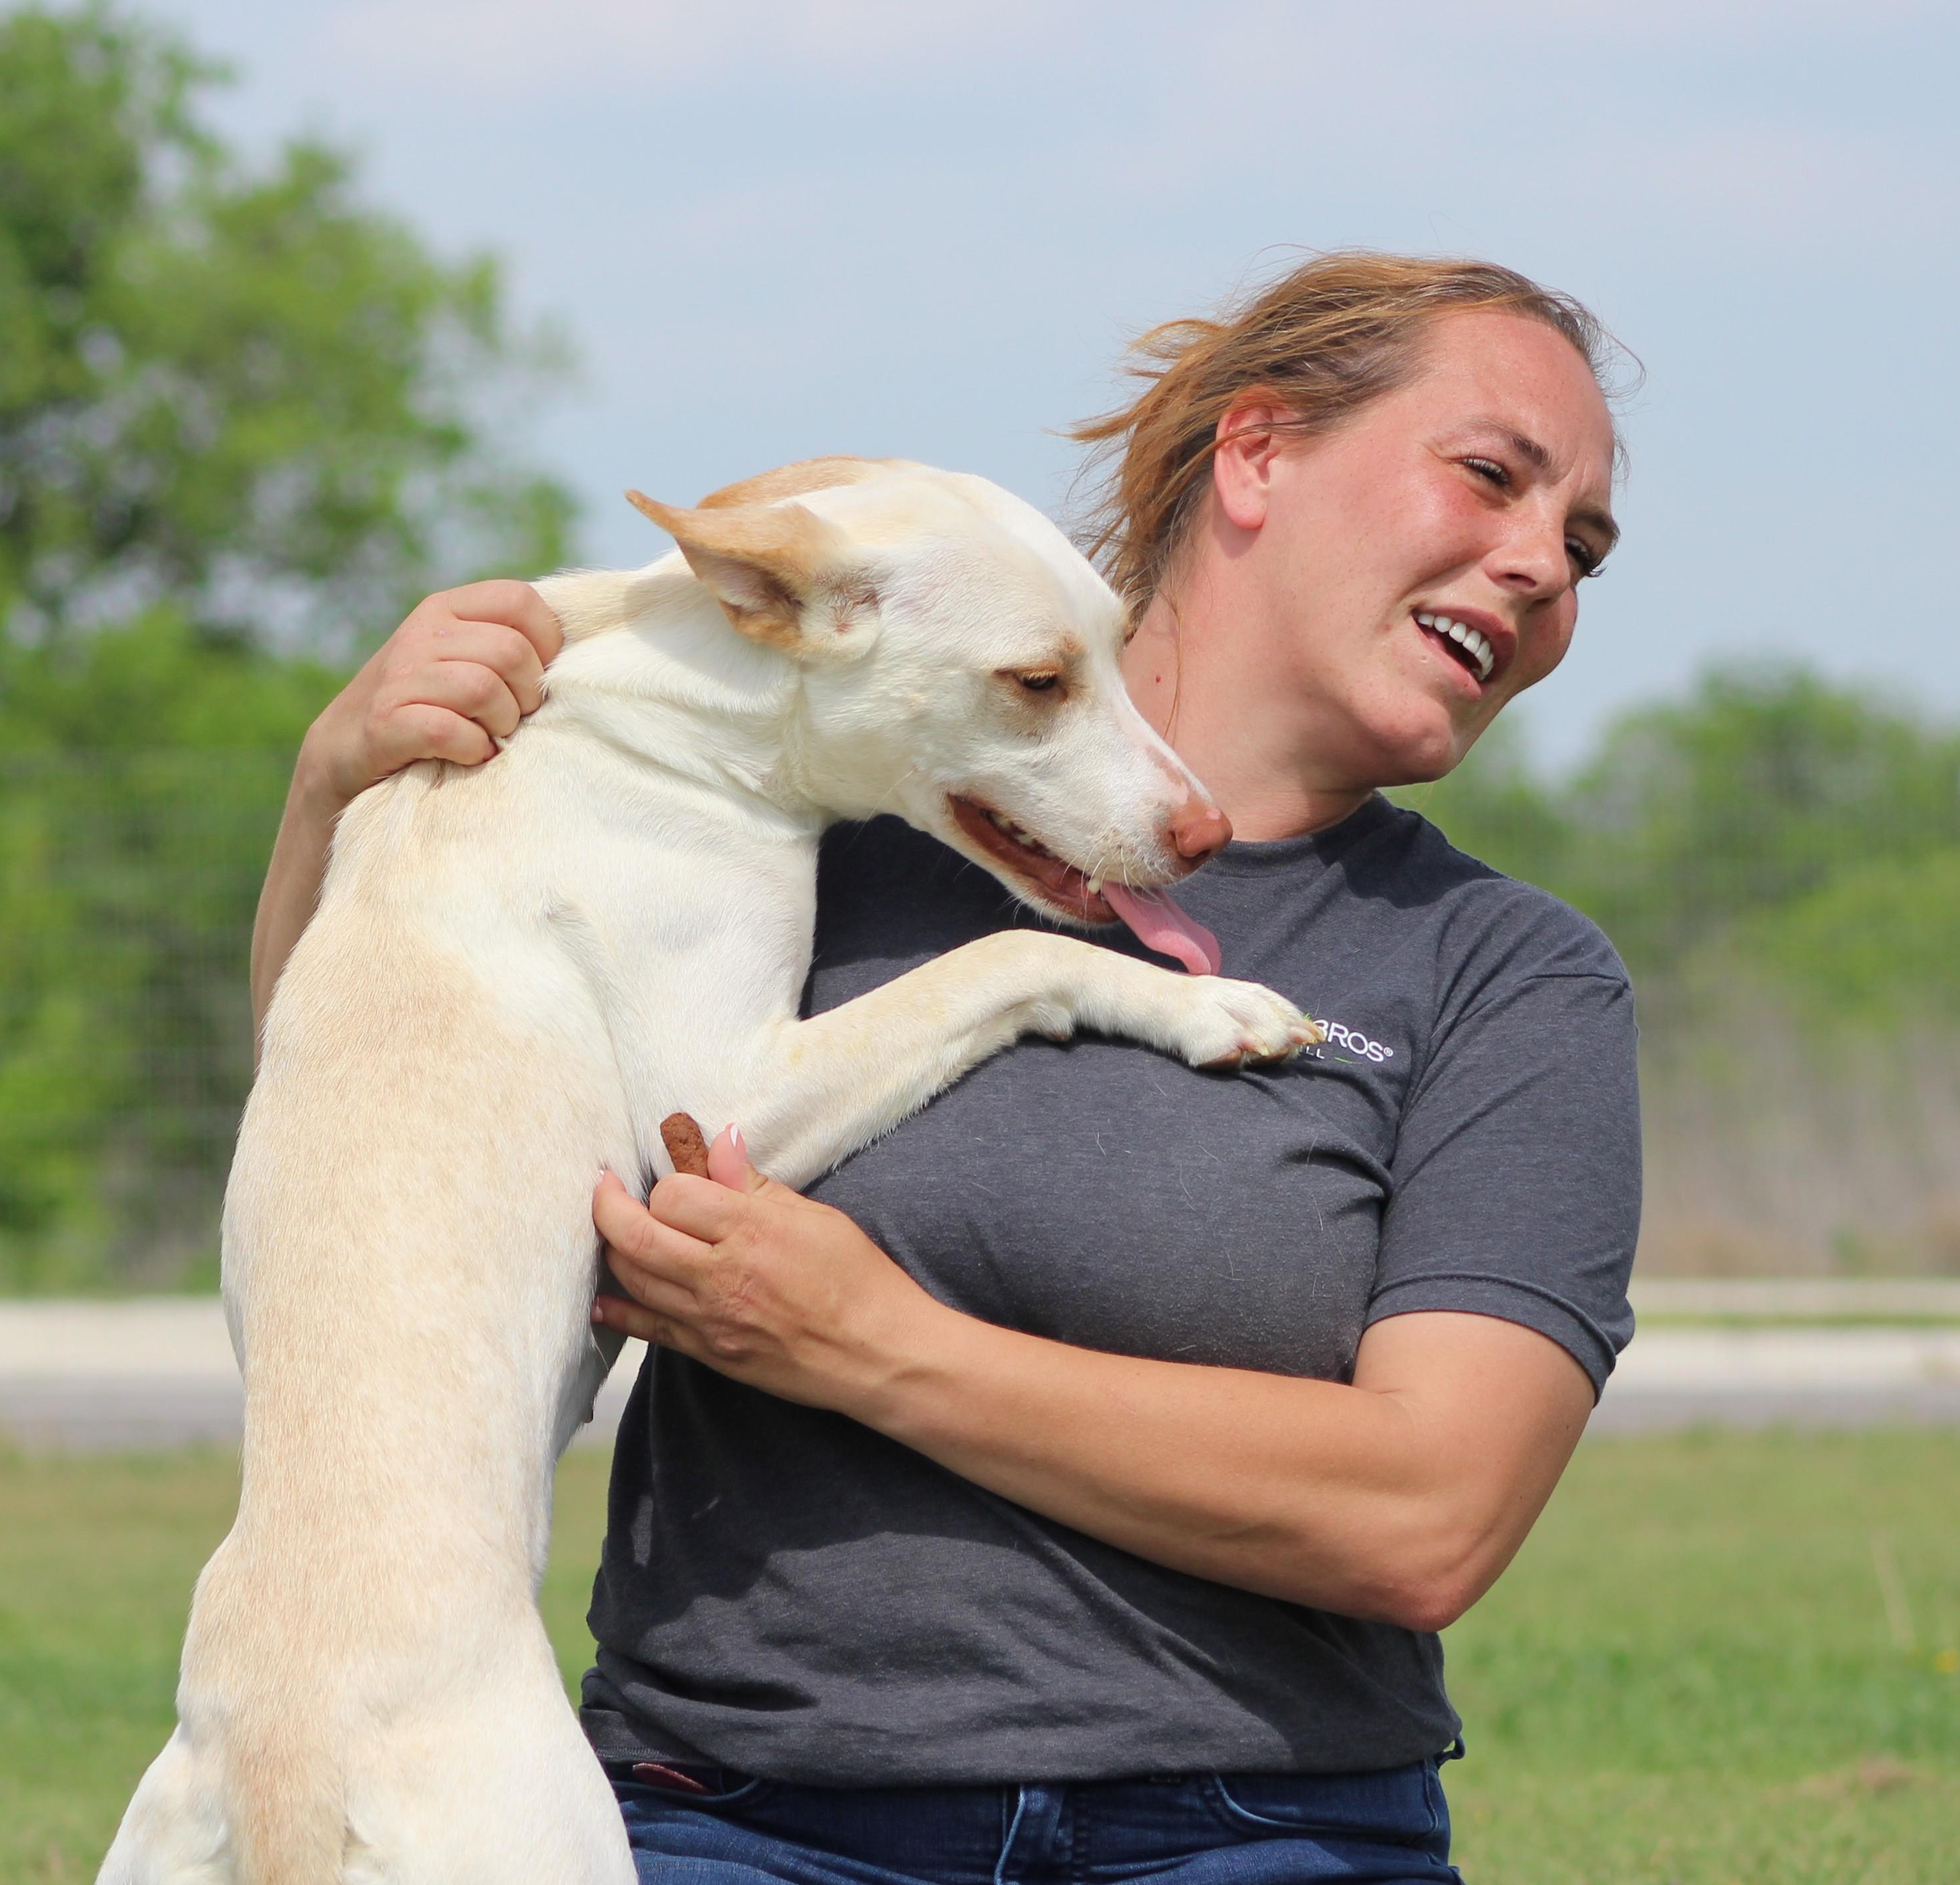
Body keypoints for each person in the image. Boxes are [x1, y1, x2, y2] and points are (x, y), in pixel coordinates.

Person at [249, 252, 1641, 1884]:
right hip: (741, 1817)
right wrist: (335, 790)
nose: (1541, 561)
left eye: (1585, 547)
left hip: (1257, 1831)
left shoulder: (1508, 975)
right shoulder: (816, 806)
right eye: (1490, 474)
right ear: (1255, 456)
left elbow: (1427, 1520)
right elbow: (370, 1156)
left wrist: (871, 1346)